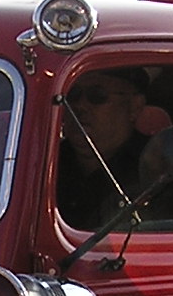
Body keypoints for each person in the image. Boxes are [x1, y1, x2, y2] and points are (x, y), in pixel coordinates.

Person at [56, 68, 155, 226]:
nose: (80, 106)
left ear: (134, 107)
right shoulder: (46, 163)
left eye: (97, 96)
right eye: (72, 95)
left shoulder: (157, 164)